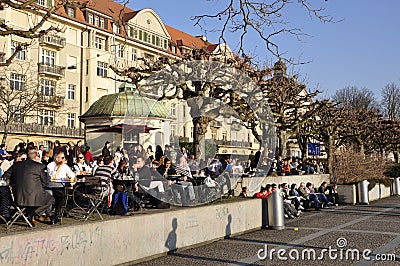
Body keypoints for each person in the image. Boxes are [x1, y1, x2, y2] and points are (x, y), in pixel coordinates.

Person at [3, 148, 56, 225]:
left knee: (45, 197)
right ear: (36, 156)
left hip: (18, 197)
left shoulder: (16, 165)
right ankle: (32, 214)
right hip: (34, 198)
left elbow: (5, 176)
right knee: (51, 199)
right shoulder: (40, 166)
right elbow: (44, 183)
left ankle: (51, 216)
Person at [47, 151, 76, 220]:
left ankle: (65, 210)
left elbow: (72, 175)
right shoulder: (50, 165)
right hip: (53, 185)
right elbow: (52, 177)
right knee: (60, 196)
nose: (64, 159)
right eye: (62, 157)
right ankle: (57, 214)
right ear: (57, 158)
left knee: (76, 195)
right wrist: (59, 166)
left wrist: (72, 182)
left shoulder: (65, 166)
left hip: (63, 185)